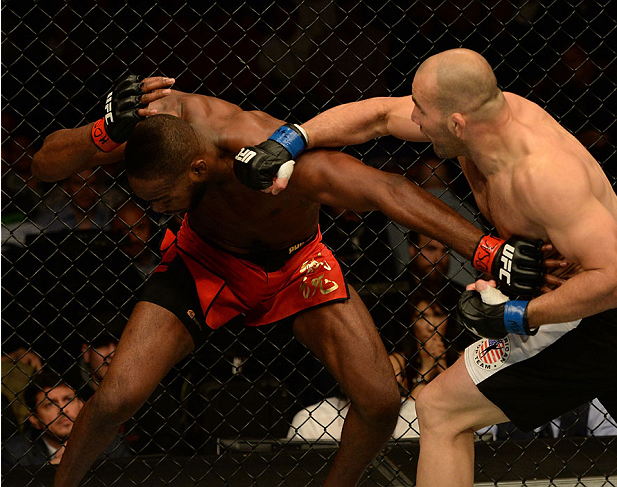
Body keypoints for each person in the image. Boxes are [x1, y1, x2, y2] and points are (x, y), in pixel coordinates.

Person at [30, 75, 550, 487]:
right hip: (204, 259)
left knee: (379, 402)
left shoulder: (267, 155)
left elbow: (386, 190)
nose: (151, 209)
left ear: (196, 168)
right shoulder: (157, 128)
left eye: (161, 196)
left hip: (296, 264)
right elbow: (44, 163)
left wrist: (487, 250)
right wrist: (98, 131)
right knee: (117, 397)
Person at [239, 48, 617, 485]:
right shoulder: (477, 123)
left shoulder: (542, 175)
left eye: (420, 109)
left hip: (608, 310)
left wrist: (516, 315)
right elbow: (378, 115)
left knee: (439, 408)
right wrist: (289, 140)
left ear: (455, 122)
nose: (412, 116)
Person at [1, 371, 130, 468]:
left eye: (68, 400)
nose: (62, 409)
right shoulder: (16, 454)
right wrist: (50, 472)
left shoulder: (111, 444)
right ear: (34, 419)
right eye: (50, 404)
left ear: (82, 405)